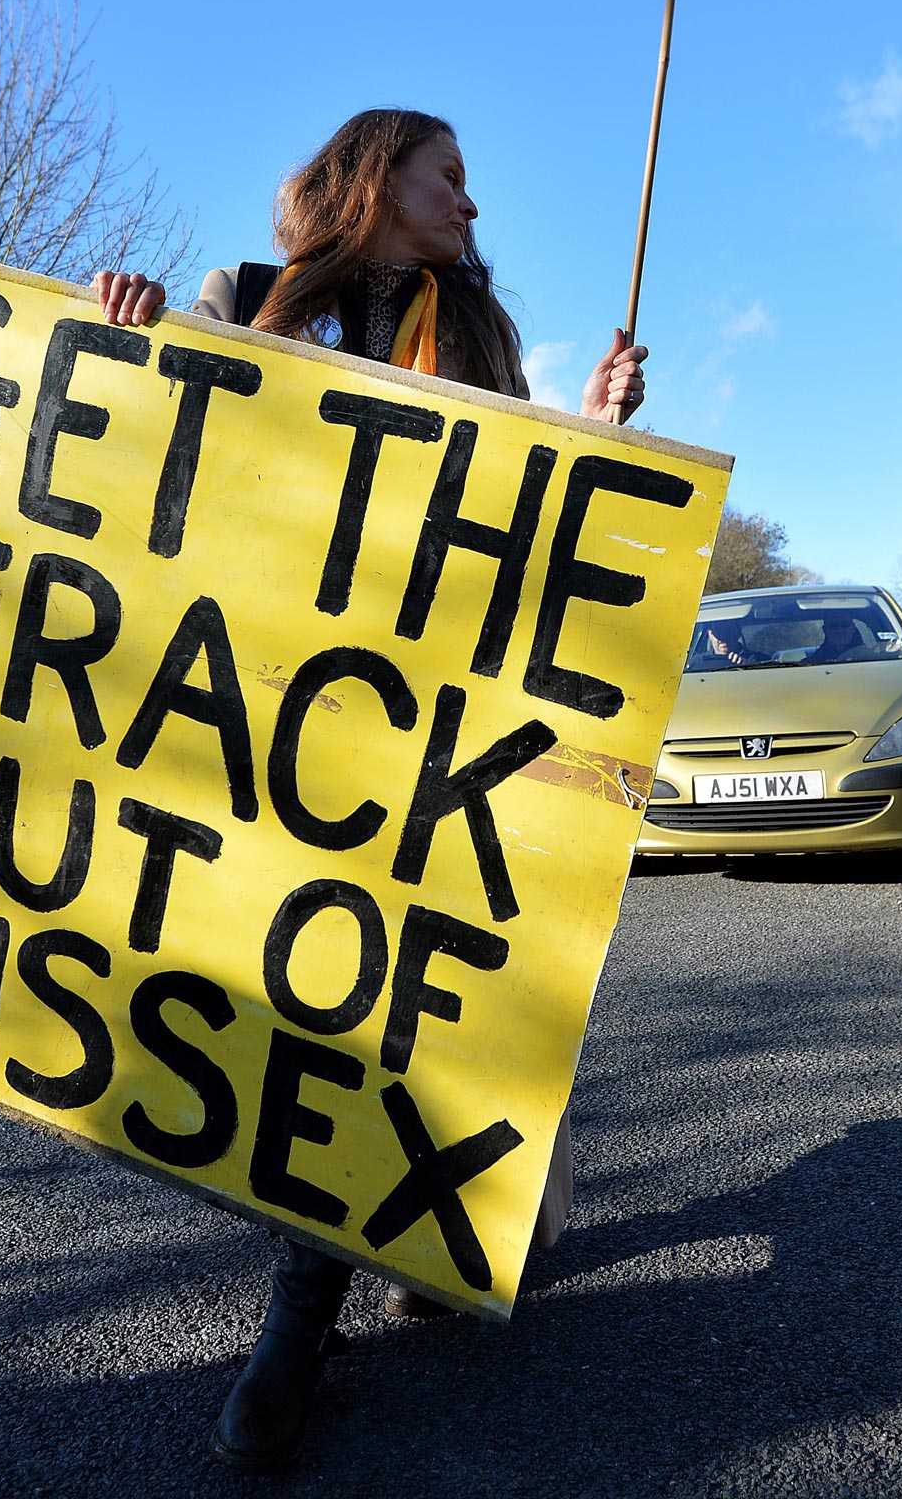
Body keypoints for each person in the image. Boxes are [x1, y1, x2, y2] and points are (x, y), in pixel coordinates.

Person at [93, 108, 649, 1476]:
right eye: (447, 174)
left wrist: (592, 432)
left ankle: (402, 1230)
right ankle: (302, 1312)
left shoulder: (481, 337)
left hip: (432, 732)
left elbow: (520, 519)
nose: (470, 200)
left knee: (417, 996)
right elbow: (162, 471)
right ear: (373, 177)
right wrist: (128, 342)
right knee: (314, 1003)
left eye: (467, 182)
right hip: (284, 722)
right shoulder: (248, 300)